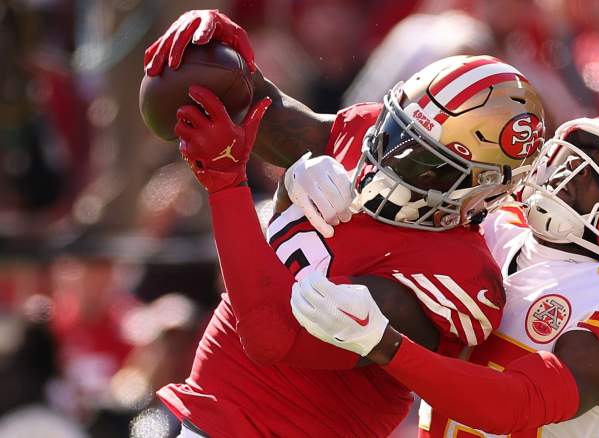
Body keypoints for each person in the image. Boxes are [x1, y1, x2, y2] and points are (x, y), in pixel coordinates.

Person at [144, 10, 547, 437]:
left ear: (481, 192)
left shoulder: (458, 276)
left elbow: (269, 334)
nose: (389, 162)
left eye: (425, 161)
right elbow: (258, 111)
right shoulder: (362, 132)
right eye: (395, 133)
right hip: (211, 415)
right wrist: (215, 57)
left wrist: (226, 185)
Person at [292, 114, 599, 437]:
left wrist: (384, 343)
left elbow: (515, 405)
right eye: (576, 155)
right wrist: (334, 184)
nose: (576, 169)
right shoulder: (492, 223)